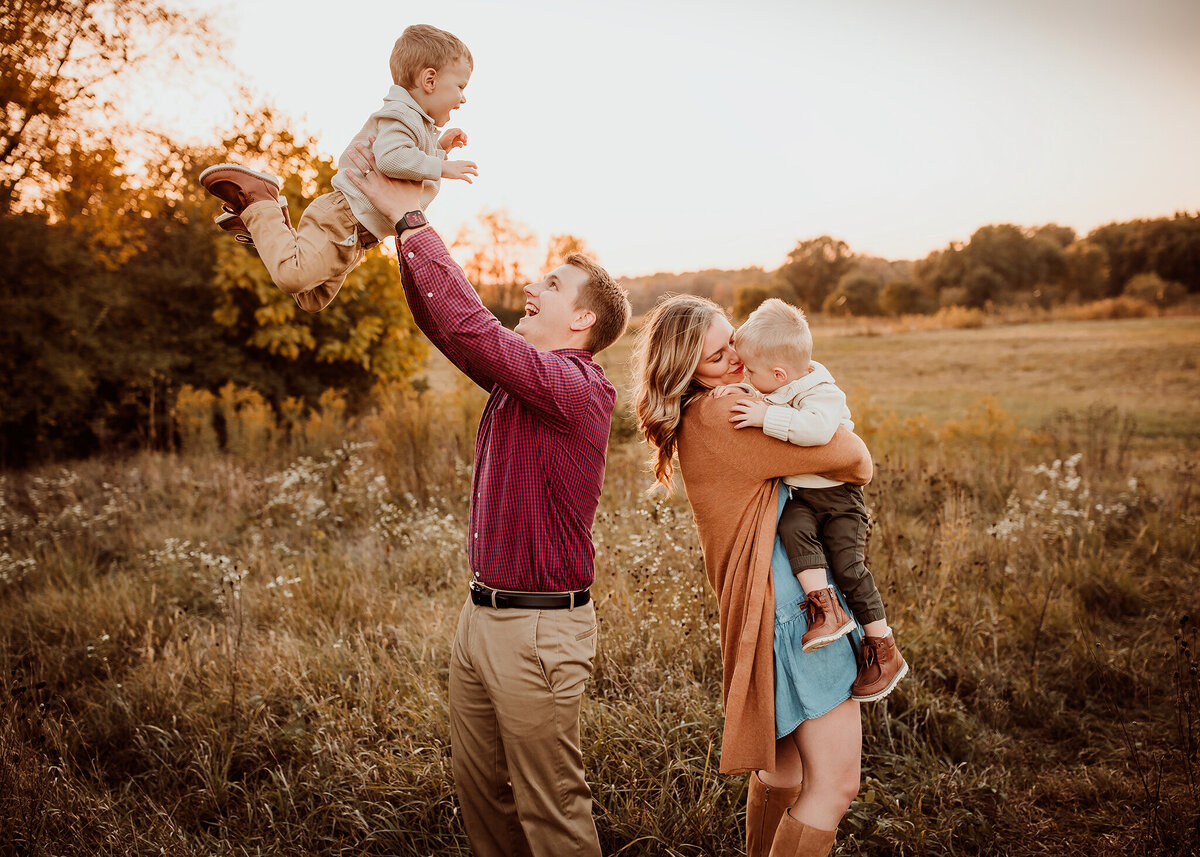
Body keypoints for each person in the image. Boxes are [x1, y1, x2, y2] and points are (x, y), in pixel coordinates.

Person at [343, 144, 631, 857]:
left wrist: (413, 216)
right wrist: (399, 237)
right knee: (484, 801)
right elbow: (449, 326)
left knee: (551, 808)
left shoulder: (578, 388)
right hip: (483, 619)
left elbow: (471, 324)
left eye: (554, 284)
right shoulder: (520, 382)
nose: (534, 286)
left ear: (583, 322)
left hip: (537, 634)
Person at [632, 295, 873, 857]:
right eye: (718, 359)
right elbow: (855, 457)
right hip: (797, 612)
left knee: (784, 772)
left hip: (765, 611)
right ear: (686, 372)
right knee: (836, 784)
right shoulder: (725, 412)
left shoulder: (705, 410)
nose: (738, 363)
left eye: (733, 343)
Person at [197, 24, 478, 312]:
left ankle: (269, 227)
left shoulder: (416, 123)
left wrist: (441, 148)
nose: (464, 98)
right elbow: (392, 160)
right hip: (343, 219)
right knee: (292, 277)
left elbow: (408, 163)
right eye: (460, 86)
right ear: (429, 80)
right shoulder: (400, 116)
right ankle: (260, 201)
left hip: (359, 237)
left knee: (311, 300)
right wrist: (442, 167)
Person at [719, 298, 908, 702]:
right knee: (791, 527)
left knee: (849, 567)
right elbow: (764, 396)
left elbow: (818, 433)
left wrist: (763, 417)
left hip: (841, 499)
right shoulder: (778, 384)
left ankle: (883, 646)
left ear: (779, 373)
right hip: (804, 495)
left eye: (751, 372)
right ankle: (826, 610)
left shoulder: (822, 392)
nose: (747, 378)